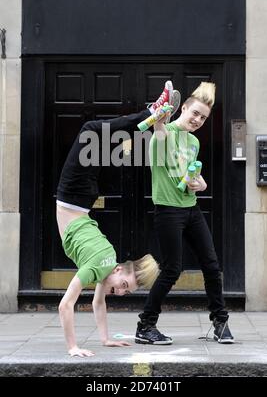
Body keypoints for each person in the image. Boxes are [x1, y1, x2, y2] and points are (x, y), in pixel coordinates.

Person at [56, 82, 179, 357]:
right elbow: (66, 304)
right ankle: (154, 115)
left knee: (103, 141)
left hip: (82, 197)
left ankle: (157, 120)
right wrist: (73, 347)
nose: (120, 293)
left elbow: (98, 304)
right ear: (119, 270)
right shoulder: (97, 266)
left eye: (125, 291)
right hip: (74, 195)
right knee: (92, 133)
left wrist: (105, 339)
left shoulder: (104, 265)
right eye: (124, 286)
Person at [135, 82, 235, 346]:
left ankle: (220, 322)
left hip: (191, 208)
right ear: (184, 109)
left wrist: (201, 183)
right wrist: (159, 120)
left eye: (203, 117)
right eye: (195, 114)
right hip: (168, 211)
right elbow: (161, 140)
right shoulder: (163, 131)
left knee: (212, 265)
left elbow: (191, 172)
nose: (198, 120)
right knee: (172, 269)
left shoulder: (193, 141)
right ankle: (145, 326)